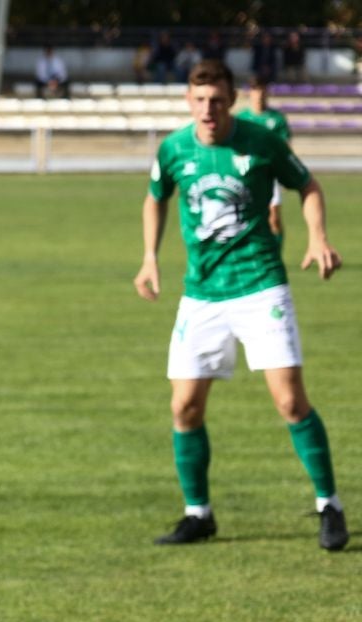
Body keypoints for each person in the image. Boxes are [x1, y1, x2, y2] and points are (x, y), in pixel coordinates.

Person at [135, 61, 346, 552]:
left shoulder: (261, 140)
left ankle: (329, 504)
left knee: (290, 400)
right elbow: (154, 196)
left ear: (231, 100)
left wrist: (317, 236)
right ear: (189, 102)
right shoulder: (173, 148)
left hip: (260, 287)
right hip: (202, 293)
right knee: (184, 406)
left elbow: (307, 185)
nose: (208, 109)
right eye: (199, 100)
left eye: (216, 99)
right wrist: (149, 257)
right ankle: (198, 513)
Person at [239, 75, 292, 242]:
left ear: (267, 92)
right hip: (246, 173)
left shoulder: (277, 119)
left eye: (262, 89)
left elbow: (285, 147)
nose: (259, 93)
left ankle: (276, 252)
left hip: (270, 172)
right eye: (255, 89)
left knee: (274, 217)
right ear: (250, 93)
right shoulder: (241, 119)